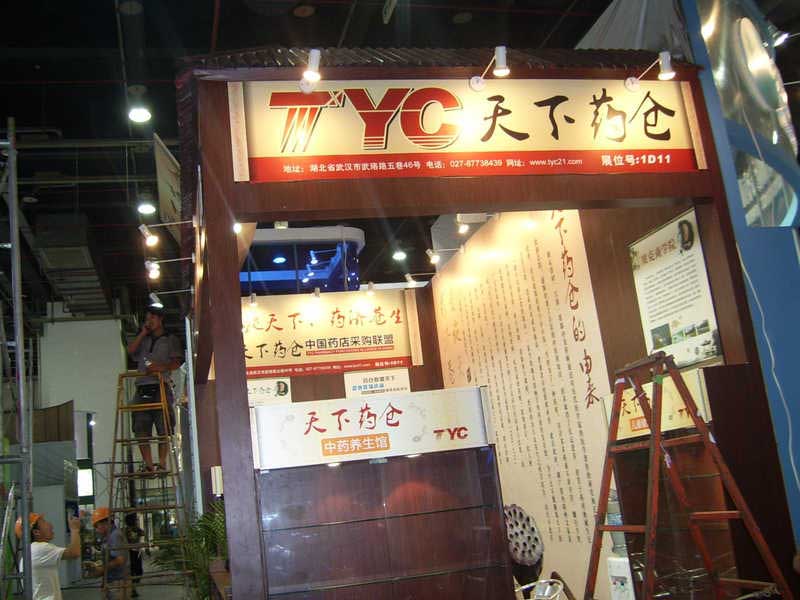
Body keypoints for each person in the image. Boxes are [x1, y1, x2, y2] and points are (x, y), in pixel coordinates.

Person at [126, 305, 183, 472]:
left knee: (163, 425)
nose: (149, 321)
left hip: (161, 385)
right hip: (142, 387)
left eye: (152, 318)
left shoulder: (170, 339)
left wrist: (160, 368)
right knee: (140, 426)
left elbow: (177, 362)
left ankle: (162, 462)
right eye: (147, 318)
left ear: (160, 319)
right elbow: (130, 351)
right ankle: (149, 465)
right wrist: (142, 333)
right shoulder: (143, 339)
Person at [15, 512, 82, 600]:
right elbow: (74, 553)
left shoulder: (31, 550)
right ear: (36, 532)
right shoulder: (40, 548)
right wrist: (74, 529)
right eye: (44, 522)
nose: (50, 525)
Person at [86, 507, 128, 600]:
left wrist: (101, 568)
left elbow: (120, 560)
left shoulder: (115, 535)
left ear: (104, 523)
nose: (97, 529)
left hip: (117, 582)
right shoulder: (109, 536)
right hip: (111, 581)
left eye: (96, 526)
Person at [123, 514, 144, 598]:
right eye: (136, 520)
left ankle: (133, 587)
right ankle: (132, 589)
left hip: (136, 552)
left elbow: (143, 534)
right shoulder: (125, 530)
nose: (137, 521)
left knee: (138, 571)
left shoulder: (137, 529)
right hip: (129, 552)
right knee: (133, 571)